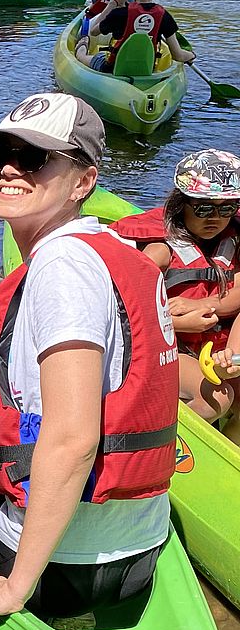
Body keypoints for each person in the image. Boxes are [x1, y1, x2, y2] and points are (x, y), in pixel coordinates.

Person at [0, 92, 178, 630]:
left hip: (62, 574)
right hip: (135, 556)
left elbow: (72, 439)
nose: (10, 168)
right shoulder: (110, 250)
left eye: (35, 158)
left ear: (83, 181)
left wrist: (15, 586)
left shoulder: (61, 268)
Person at [110, 149, 240, 440]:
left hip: (214, 346)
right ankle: (160, 443)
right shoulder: (160, 249)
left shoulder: (234, 240)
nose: (216, 218)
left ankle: (226, 462)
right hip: (163, 342)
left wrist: (205, 305)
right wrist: (177, 324)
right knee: (215, 398)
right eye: (204, 208)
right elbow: (121, 304)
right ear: (182, 204)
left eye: (227, 208)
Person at [75, 0, 195, 74]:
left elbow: (94, 31)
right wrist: (191, 56)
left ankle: (81, 48)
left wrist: (112, 4)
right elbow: (178, 55)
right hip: (146, 70)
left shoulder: (120, 13)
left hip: (111, 68)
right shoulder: (164, 16)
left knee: (82, 56)